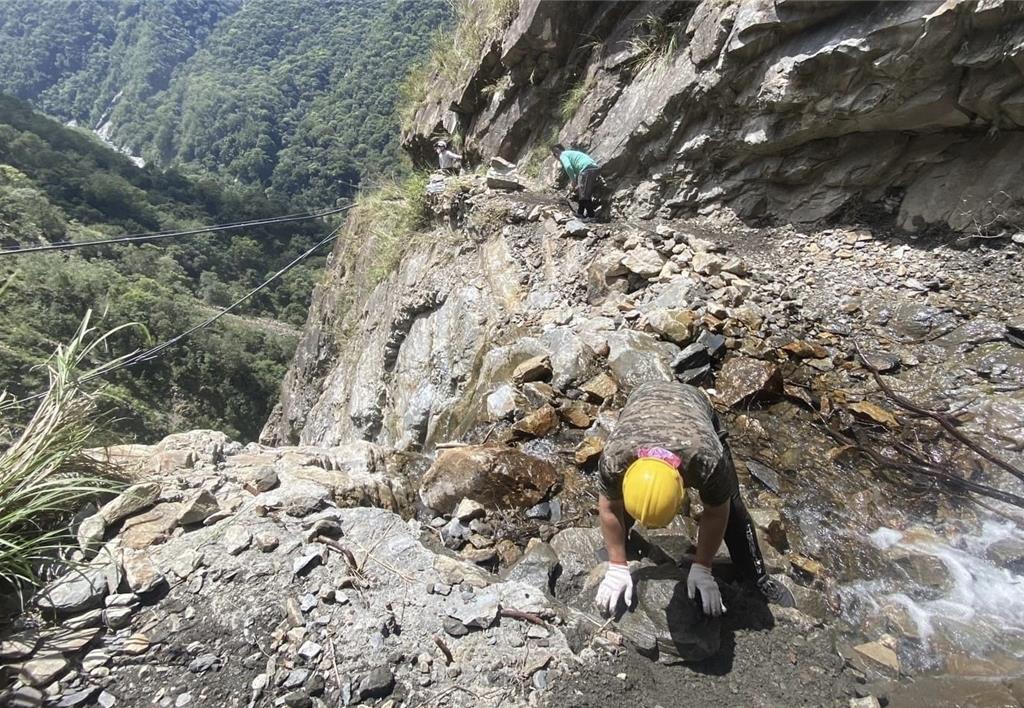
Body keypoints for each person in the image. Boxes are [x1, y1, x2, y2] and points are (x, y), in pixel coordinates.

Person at [594, 381, 795, 618]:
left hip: (694, 405)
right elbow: (609, 507)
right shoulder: (615, 459)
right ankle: (621, 552)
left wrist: (703, 567)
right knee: (620, 498)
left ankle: (757, 576)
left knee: (732, 506)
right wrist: (617, 566)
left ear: (682, 489)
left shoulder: (707, 460)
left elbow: (717, 512)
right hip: (645, 395)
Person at [551, 144, 602, 220]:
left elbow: (568, 167)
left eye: (554, 155)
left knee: (583, 195)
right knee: (584, 193)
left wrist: (573, 180)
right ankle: (580, 213)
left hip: (586, 169)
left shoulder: (563, 155)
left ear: (556, 153)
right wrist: (577, 182)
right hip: (592, 169)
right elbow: (577, 170)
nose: (556, 158)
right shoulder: (570, 154)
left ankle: (591, 216)